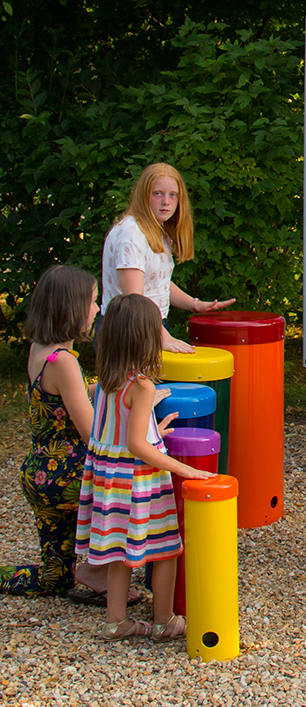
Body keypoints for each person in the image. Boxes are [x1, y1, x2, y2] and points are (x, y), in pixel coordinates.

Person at [74, 294, 213, 639]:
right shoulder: (141, 386)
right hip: (138, 481)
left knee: (119, 552)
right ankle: (164, 621)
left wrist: (155, 429)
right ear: (146, 339)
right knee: (167, 549)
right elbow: (136, 444)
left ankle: (116, 621)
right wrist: (183, 469)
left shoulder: (107, 382)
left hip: (109, 481)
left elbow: (117, 430)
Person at [1, 265, 134, 603]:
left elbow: (61, 397)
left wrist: (106, 387)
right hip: (67, 477)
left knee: (54, 580)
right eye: (92, 301)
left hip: (39, 474)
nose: (97, 309)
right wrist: (145, 429)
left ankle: (81, 570)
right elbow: (95, 437)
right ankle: (100, 569)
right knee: (129, 486)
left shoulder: (40, 350)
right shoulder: (64, 361)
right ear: (72, 307)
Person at [101, 162, 234, 354]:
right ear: (143, 195)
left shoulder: (156, 229)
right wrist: (163, 336)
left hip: (152, 327)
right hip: (127, 332)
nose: (166, 201)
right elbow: (135, 301)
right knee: (136, 386)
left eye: (173, 195)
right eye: (158, 194)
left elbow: (157, 282)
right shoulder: (131, 235)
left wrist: (194, 304)